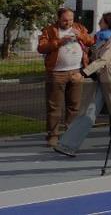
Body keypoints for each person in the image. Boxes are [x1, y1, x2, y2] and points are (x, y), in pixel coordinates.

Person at [56, 13, 111, 157]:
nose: (99, 23)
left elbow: (104, 59)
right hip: (102, 77)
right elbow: (95, 55)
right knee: (89, 111)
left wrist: (83, 73)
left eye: (101, 21)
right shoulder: (102, 37)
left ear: (108, 23)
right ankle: (67, 145)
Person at [37, 8, 94, 148]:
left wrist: (81, 36)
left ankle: (70, 134)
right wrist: (59, 42)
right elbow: (41, 48)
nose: (68, 23)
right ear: (58, 19)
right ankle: (53, 135)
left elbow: (90, 41)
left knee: (74, 106)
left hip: (76, 72)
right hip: (57, 73)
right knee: (54, 107)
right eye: (65, 20)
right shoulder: (50, 30)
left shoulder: (79, 28)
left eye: (71, 20)